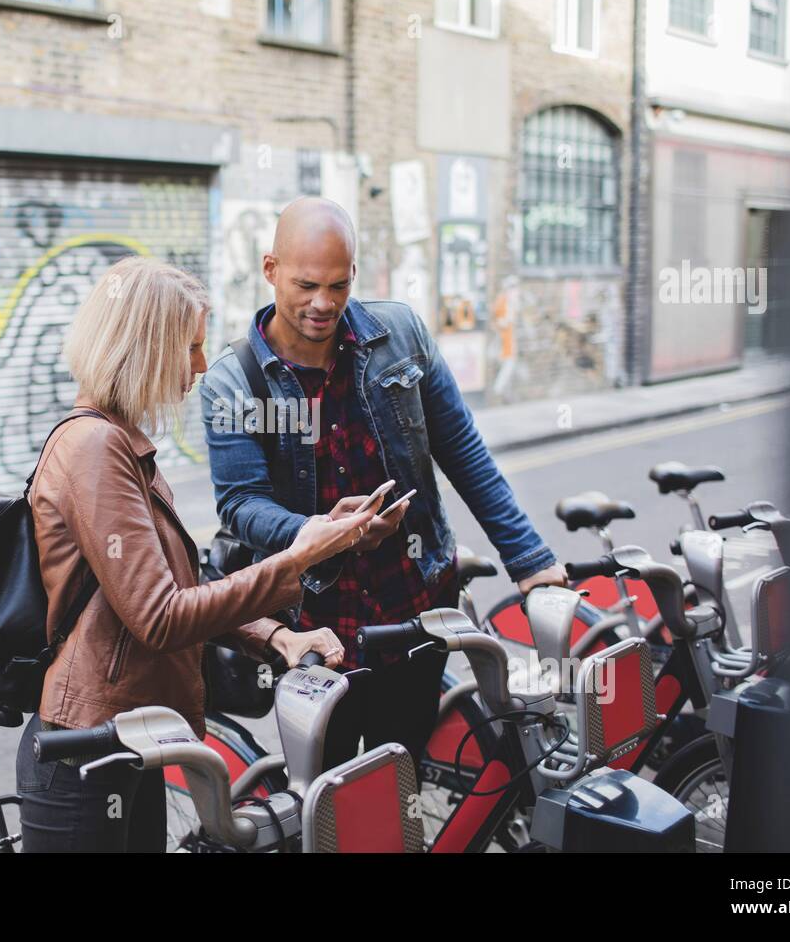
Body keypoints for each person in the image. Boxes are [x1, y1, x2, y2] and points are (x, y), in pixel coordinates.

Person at [199, 197, 568, 777]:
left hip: (416, 608)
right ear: (270, 270)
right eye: (306, 285)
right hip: (315, 633)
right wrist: (321, 534)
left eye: (339, 285)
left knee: (399, 778)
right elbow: (240, 504)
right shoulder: (232, 383)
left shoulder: (401, 335)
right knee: (329, 799)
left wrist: (529, 557)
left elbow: (463, 451)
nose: (323, 303)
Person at [18, 255, 375, 853]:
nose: (203, 366)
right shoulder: (94, 447)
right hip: (81, 749)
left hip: (127, 733)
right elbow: (161, 617)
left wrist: (275, 638)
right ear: (144, 347)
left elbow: (180, 586)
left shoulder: (120, 443)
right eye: (189, 347)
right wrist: (295, 560)